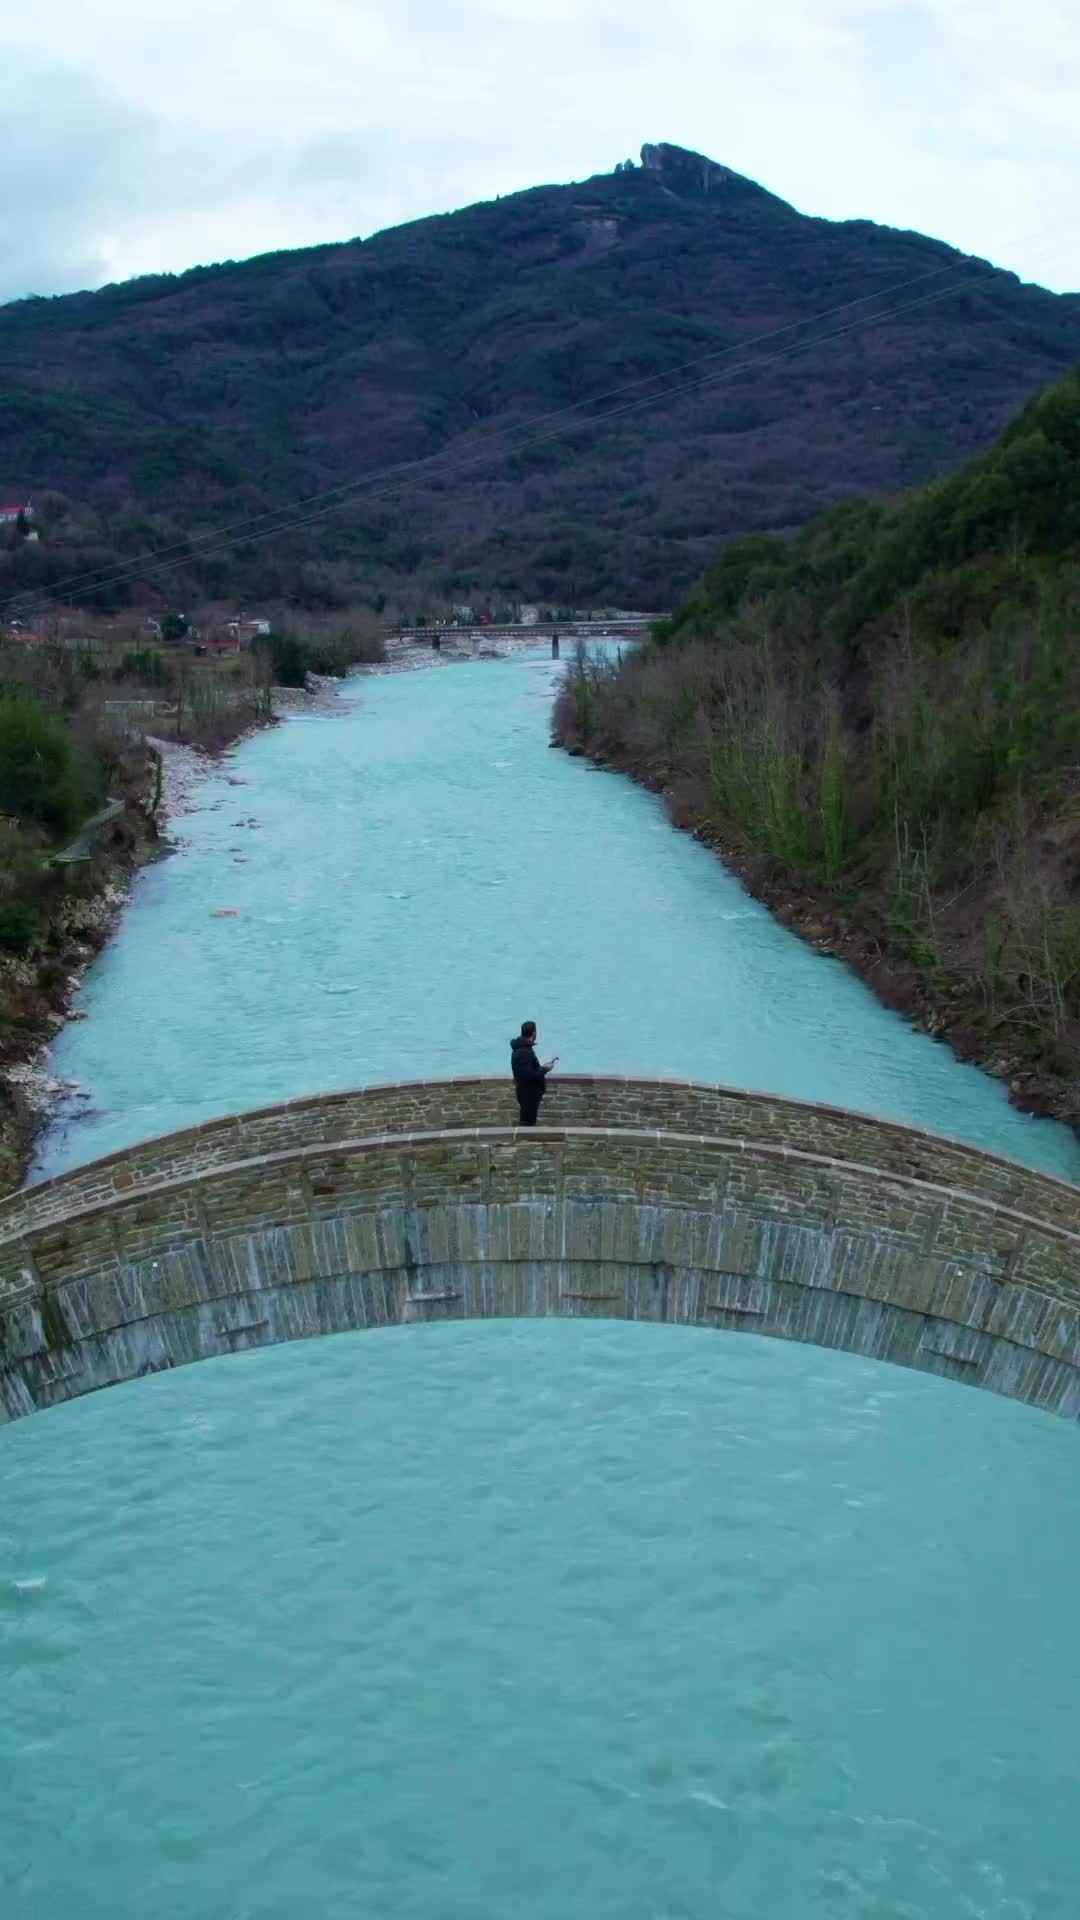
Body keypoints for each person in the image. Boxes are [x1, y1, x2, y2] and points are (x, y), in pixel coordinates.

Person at [510, 1020, 557, 1126]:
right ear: (533, 1033)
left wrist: (543, 1067)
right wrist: (546, 1069)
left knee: (529, 1121)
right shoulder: (523, 1051)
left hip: (528, 1093)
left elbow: (529, 1070)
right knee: (527, 1123)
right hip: (528, 1094)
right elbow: (529, 1075)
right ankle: (524, 1141)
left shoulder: (523, 1049)